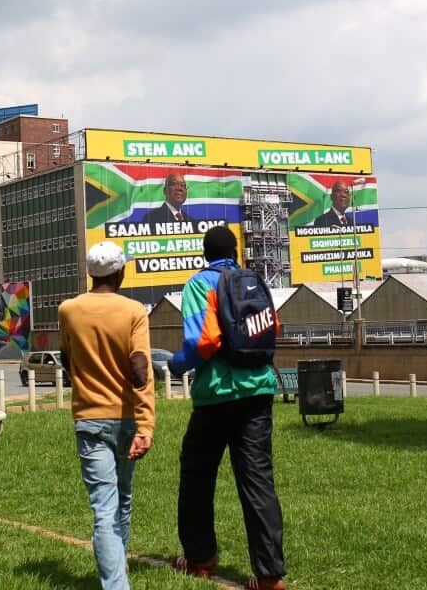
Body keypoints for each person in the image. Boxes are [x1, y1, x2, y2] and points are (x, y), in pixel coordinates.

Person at [169, 226, 286, 590]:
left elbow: (200, 343)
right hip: (258, 392)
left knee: (197, 476)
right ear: (236, 251)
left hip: (216, 395)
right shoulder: (251, 281)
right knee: (257, 481)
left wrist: (175, 366)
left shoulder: (199, 285)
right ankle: (269, 576)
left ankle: (201, 559)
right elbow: (272, 329)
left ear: (204, 254)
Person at [58, 241, 156, 590]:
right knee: (123, 500)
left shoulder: (68, 309)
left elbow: (67, 358)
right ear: (119, 272)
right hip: (127, 419)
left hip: (89, 418)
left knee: (104, 506)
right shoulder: (134, 311)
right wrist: (145, 425)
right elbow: (141, 370)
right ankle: (116, 582)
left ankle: (116, 578)